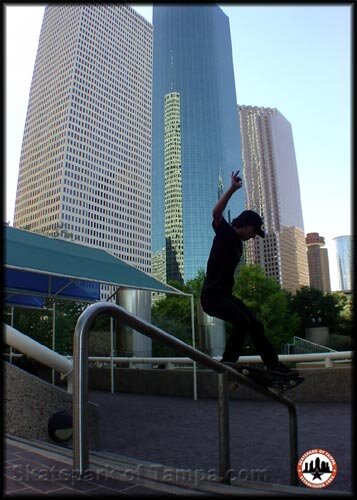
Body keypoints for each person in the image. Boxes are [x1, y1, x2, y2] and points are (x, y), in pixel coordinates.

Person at [200, 170, 293, 373]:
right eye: (253, 232)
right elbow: (216, 214)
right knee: (242, 321)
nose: (252, 237)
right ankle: (228, 363)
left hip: (225, 296)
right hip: (211, 297)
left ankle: (273, 365)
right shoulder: (225, 232)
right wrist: (232, 188)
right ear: (244, 225)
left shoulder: (239, 245)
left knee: (255, 324)